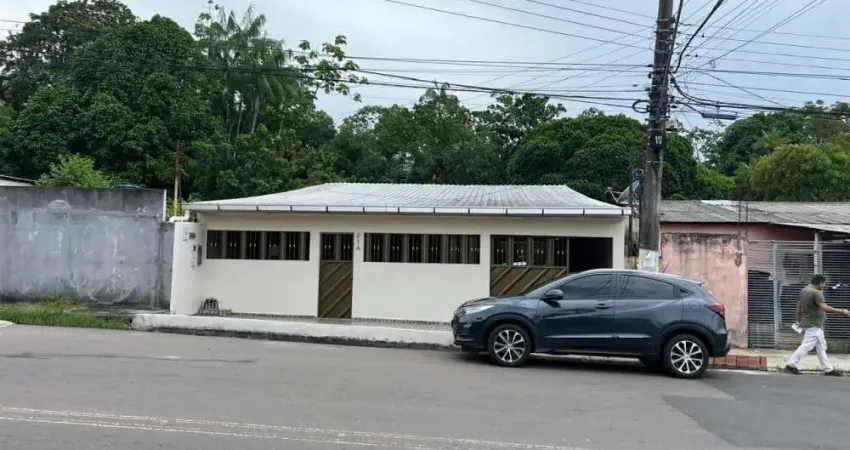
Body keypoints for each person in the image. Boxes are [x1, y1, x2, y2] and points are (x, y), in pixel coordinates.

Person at [785, 274, 850, 376]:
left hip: (811, 323)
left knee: (821, 346)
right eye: (824, 283)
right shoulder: (816, 292)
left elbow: (798, 306)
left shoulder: (804, 290)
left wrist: (798, 320)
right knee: (806, 346)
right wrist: (842, 311)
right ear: (820, 283)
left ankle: (827, 369)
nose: (824, 285)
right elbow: (825, 308)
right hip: (814, 324)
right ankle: (791, 364)